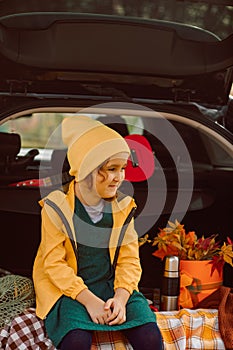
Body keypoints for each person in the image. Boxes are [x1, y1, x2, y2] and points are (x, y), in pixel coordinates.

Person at [33, 116, 163, 350]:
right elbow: (53, 264)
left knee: (150, 338)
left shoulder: (123, 207)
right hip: (71, 292)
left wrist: (122, 298)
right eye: (111, 169)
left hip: (112, 285)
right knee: (76, 340)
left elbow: (130, 260)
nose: (120, 177)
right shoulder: (56, 207)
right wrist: (90, 301)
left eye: (123, 168)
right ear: (85, 170)